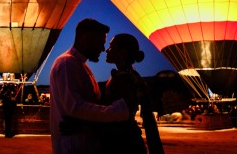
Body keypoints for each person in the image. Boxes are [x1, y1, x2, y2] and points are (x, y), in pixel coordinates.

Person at [49, 18, 130, 154]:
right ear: (86, 38)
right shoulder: (67, 63)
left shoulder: (80, 65)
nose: (103, 49)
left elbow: (89, 106)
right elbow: (75, 107)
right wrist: (119, 110)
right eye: (101, 42)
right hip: (74, 147)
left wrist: (84, 125)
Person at [102, 33, 164, 154]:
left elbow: (113, 112)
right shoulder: (131, 76)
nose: (106, 50)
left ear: (122, 53)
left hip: (122, 143)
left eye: (111, 47)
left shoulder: (125, 80)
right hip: (128, 139)